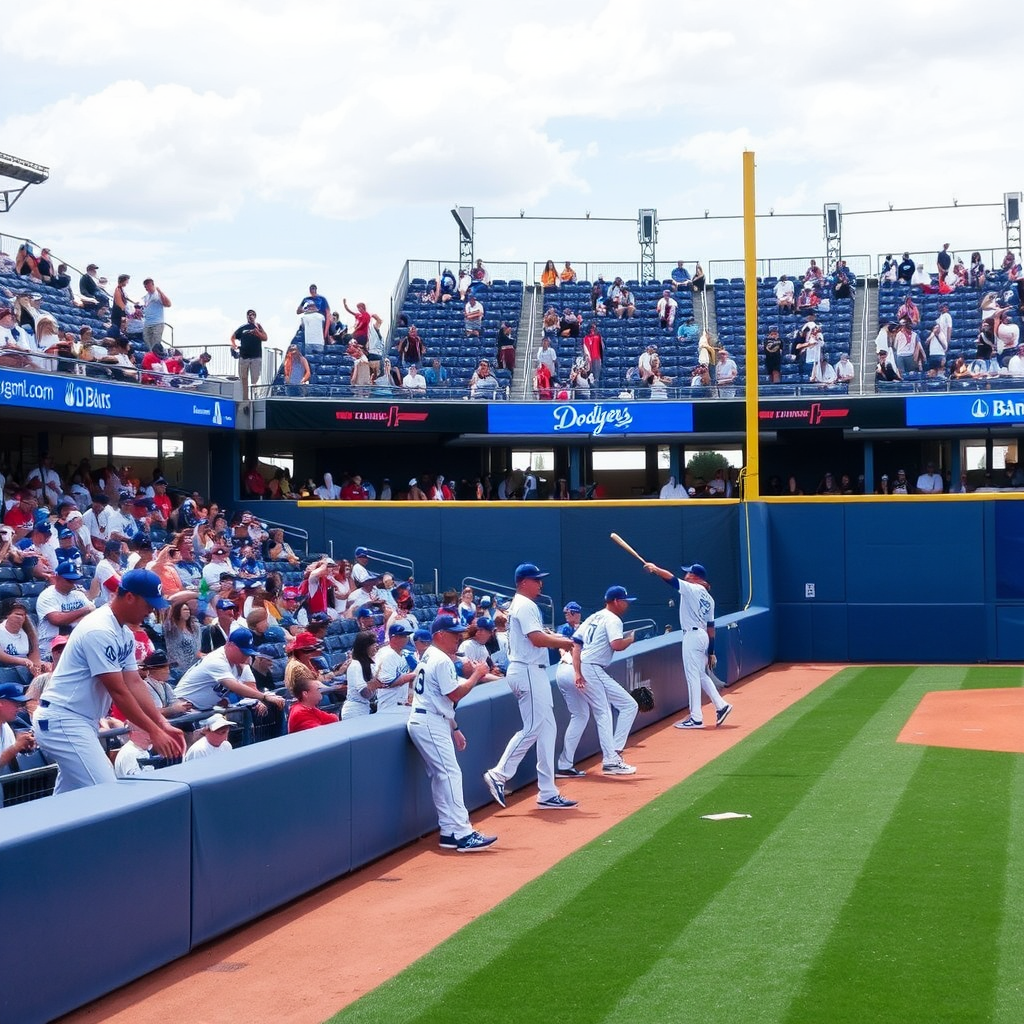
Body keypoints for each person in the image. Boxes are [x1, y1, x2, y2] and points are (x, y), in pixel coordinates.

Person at [31, 569, 187, 792]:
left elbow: (134, 683)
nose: (151, 611)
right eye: (148, 604)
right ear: (130, 597)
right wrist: (153, 731)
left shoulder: (122, 631)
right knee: (106, 795)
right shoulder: (99, 629)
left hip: (78, 720)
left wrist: (161, 723)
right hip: (63, 720)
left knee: (68, 802)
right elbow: (119, 691)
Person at [483, 563, 577, 811]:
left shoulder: (521, 605)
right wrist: (564, 641)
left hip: (530, 670)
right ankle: (499, 773)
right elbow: (537, 639)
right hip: (526, 670)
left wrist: (558, 639)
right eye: (536, 580)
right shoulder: (525, 604)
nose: (540, 583)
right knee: (535, 726)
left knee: (548, 730)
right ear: (524, 581)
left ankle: (547, 791)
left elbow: (537, 636)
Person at [408, 613, 495, 851]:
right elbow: (454, 694)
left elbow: (438, 697)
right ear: (439, 635)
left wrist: (454, 726)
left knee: (441, 777)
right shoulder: (441, 659)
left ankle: (448, 831)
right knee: (451, 775)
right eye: (454, 634)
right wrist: (477, 674)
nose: (458, 637)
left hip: (429, 719)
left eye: (459, 633)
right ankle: (463, 832)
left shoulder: (430, 655)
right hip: (429, 722)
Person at [557, 585, 641, 777]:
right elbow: (617, 645)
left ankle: (564, 764)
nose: (627, 605)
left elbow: (575, 643)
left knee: (579, 716)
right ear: (617, 601)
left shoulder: (594, 616)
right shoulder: (613, 619)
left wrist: (577, 671)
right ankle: (612, 759)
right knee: (616, 708)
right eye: (625, 602)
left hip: (566, 668)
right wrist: (631, 640)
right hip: (589, 667)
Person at [642, 560, 731, 730]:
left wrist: (655, 569)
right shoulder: (709, 599)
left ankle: (696, 718)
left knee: (693, 676)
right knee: (701, 675)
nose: (685, 575)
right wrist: (711, 651)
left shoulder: (692, 588)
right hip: (703, 636)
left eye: (688, 573)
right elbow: (711, 629)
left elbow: (671, 580)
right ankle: (721, 706)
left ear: (694, 576)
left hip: (692, 635)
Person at [174, 627, 286, 712]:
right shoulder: (217, 660)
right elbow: (234, 686)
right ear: (230, 645)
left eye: (248, 653)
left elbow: (250, 685)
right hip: (183, 706)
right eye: (243, 652)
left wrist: (259, 699)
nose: (246, 656)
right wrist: (264, 697)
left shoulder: (240, 662)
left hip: (201, 710)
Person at [230, 309, 268, 401]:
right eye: (249, 315)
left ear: (255, 316)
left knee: (255, 379)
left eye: (252, 314)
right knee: (243, 378)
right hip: (244, 356)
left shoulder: (258, 326)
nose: (251, 316)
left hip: (256, 356)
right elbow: (233, 337)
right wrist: (234, 346)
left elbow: (265, 338)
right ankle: (245, 399)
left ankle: (255, 397)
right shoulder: (242, 328)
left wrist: (257, 332)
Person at [341, 631, 380, 719]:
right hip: (354, 711)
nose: (375, 648)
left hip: (364, 708)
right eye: (372, 645)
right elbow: (365, 693)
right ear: (365, 648)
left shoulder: (369, 665)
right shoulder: (356, 665)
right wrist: (376, 683)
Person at [141, 278, 172, 352]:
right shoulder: (146, 297)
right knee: (148, 345)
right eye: (145, 286)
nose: (147, 287)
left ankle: (155, 360)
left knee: (156, 345)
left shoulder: (158, 294)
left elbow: (168, 304)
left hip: (157, 323)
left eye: (148, 285)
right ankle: (150, 360)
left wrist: (160, 292)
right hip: (147, 324)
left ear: (152, 284)